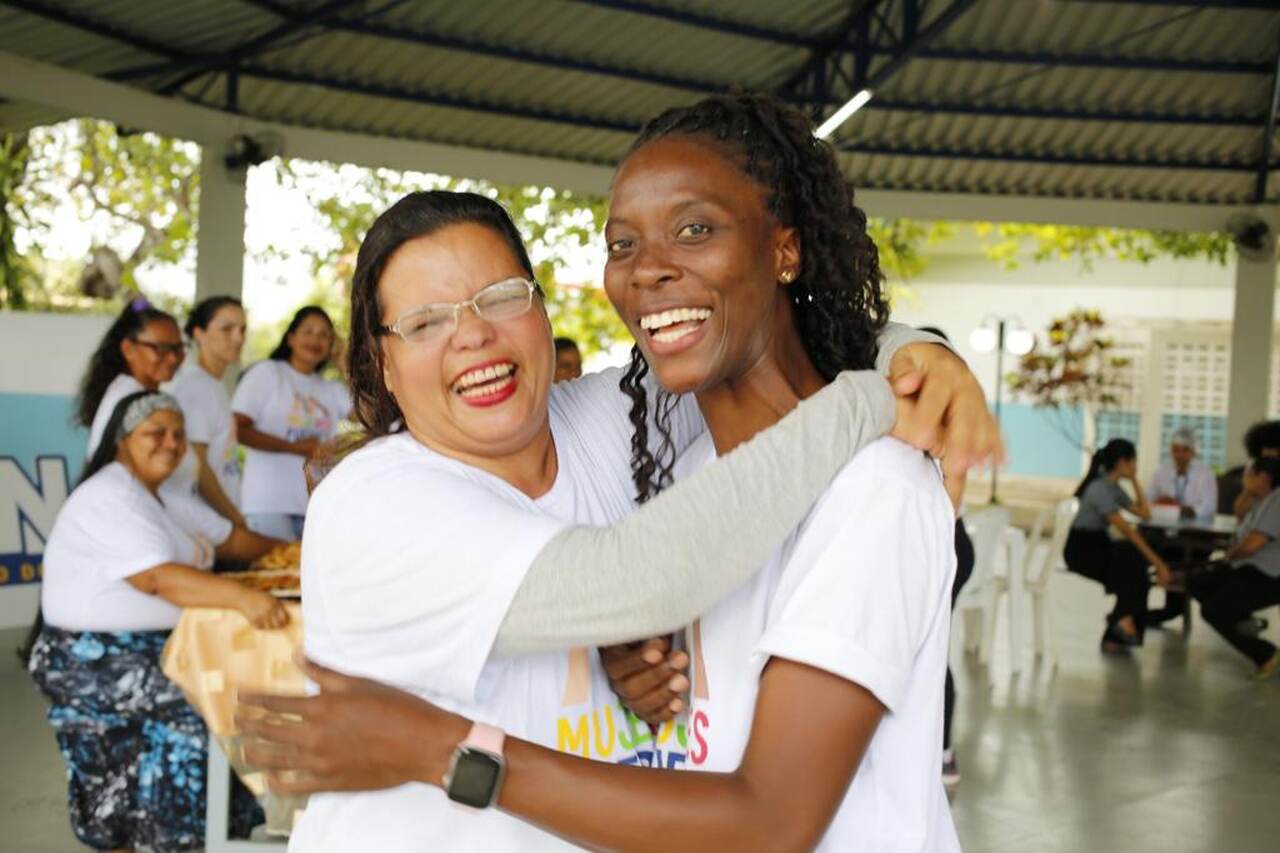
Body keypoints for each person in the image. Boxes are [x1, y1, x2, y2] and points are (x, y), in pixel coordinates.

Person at [241, 95, 984, 851]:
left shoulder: (618, 422)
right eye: (425, 322)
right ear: (381, 365)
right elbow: (633, 580)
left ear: (541, 311)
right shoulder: (373, 501)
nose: (471, 335)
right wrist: (876, 394)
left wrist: (914, 354)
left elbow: (751, 341)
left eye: (500, 297)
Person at [25, 391, 289, 851]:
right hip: (92, 660)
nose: (170, 443)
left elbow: (233, 542)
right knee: (204, 715)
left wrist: (304, 552)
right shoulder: (112, 495)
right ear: (123, 441)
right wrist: (242, 598)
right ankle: (180, 840)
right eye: (156, 433)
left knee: (219, 709)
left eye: (179, 435)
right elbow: (155, 579)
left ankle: (186, 835)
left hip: (148, 649)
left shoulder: (159, 497)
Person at [77, 300, 237, 548]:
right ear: (128, 349)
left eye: (178, 348)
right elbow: (148, 489)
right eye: (160, 348)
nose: (173, 358)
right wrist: (230, 527)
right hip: (137, 539)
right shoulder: (131, 401)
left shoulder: (143, 395)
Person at [232, 306, 351, 540]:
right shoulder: (268, 373)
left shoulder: (331, 389)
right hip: (268, 505)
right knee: (277, 575)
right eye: (308, 331)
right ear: (290, 338)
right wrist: (295, 448)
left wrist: (343, 363)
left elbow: (372, 419)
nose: (315, 339)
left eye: (324, 335)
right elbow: (237, 429)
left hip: (315, 506)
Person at [918, 326, 974, 786]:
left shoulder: (950, 421)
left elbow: (949, 501)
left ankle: (943, 750)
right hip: (932, 538)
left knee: (934, 645)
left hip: (947, 539)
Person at [1064, 438, 1172, 652]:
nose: (1135, 467)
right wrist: (1158, 563)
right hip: (1082, 550)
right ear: (1122, 462)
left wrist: (1134, 481)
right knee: (1132, 567)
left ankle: (1119, 627)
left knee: (1134, 568)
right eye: (1133, 462)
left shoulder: (1113, 487)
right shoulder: (1099, 489)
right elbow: (1127, 530)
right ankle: (1120, 625)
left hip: (1099, 543)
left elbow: (1144, 513)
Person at [1188, 456, 1280, 680]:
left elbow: (1254, 544)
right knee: (1197, 583)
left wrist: (1230, 555)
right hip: (1246, 566)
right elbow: (1239, 512)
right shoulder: (1263, 497)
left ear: (1264, 477)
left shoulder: (1277, 501)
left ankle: (1266, 654)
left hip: (1268, 574)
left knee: (1213, 611)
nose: (1243, 479)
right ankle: (1243, 622)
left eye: (1249, 474)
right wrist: (1249, 491)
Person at [168, 296, 248, 528]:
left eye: (242, 329)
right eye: (227, 329)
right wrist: (236, 521)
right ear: (198, 334)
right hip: (204, 524)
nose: (238, 338)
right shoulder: (196, 387)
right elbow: (197, 465)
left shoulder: (213, 385)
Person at [1145, 427, 1218, 628]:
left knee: (1186, 569)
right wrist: (1163, 504)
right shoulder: (1162, 471)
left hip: (1195, 538)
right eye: (1175, 449)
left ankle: (1174, 609)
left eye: (1184, 450)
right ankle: (1152, 612)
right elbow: (1147, 502)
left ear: (1193, 451)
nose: (1179, 455)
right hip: (1166, 536)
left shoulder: (1205, 474)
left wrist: (1183, 509)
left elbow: (1208, 507)